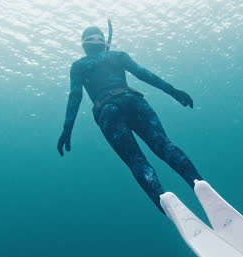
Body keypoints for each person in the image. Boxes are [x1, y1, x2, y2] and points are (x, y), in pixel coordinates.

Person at [57, 24, 203, 212]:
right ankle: (200, 185)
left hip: (107, 110)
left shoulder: (78, 66)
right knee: (165, 146)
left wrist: (67, 129)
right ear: (105, 43)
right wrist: (172, 91)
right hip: (134, 101)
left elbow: (75, 96)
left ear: (84, 46)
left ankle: (167, 207)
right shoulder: (118, 56)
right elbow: (143, 74)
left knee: (136, 161)